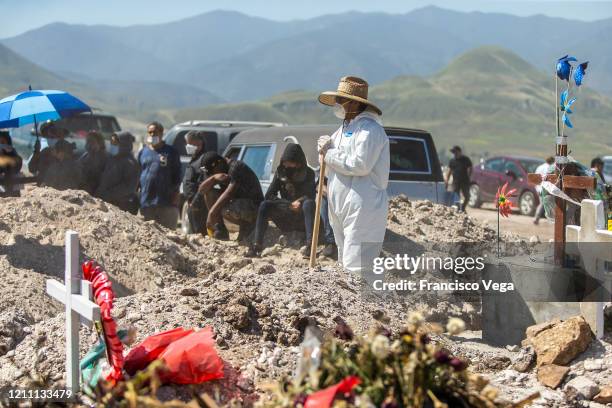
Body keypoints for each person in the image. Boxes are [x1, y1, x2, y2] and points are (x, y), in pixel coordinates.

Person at [317, 76, 390, 275]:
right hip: (341, 204)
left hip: (363, 204)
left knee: (358, 264)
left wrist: (328, 154)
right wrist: (323, 151)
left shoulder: (370, 130)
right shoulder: (341, 131)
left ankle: (370, 304)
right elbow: (327, 163)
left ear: (355, 103)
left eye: (342, 100)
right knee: (344, 260)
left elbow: (360, 164)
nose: (338, 104)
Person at [246, 143, 316, 258]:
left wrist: (300, 202)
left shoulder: (308, 173)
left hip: (300, 217)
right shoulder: (281, 172)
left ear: (297, 161)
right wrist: (287, 204)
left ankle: (310, 245)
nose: (286, 164)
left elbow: (310, 195)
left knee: (309, 204)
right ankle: (256, 246)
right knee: (265, 205)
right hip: (285, 214)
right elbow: (269, 195)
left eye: (289, 161)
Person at [198, 152, 263, 241]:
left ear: (220, 163)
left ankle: (248, 227)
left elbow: (229, 193)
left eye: (213, 172)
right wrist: (213, 178)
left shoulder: (237, 166)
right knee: (210, 193)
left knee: (226, 207)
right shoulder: (218, 170)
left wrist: (211, 213)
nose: (212, 174)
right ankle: (221, 230)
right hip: (240, 203)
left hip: (254, 207)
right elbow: (201, 190)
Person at [138, 121, 181, 229]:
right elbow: (138, 174)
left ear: (161, 133)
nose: (152, 135)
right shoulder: (143, 152)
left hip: (166, 202)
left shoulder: (171, 152)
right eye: (150, 132)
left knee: (168, 235)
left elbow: (177, 175)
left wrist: (176, 194)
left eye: (155, 132)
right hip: (147, 203)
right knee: (148, 234)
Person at [96, 132, 140, 214]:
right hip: (109, 203)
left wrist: (108, 194)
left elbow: (129, 187)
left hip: (124, 205)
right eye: (112, 143)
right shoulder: (111, 159)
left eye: (115, 143)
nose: (112, 145)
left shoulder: (130, 163)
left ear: (124, 144)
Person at [181, 130, 208, 233]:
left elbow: (205, 183)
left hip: (200, 206)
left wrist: (196, 201)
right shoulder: (195, 158)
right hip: (192, 204)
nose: (187, 146)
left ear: (199, 143)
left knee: (200, 234)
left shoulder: (204, 159)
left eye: (189, 143)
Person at [78, 131, 108, 195]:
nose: (89, 144)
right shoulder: (85, 156)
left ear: (100, 143)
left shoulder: (105, 159)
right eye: (87, 141)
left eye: (92, 142)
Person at [445, 146, 473, 212]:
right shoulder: (452, 161)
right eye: (453, 152)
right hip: (455, 182)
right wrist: (447, 180)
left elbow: (470, 168)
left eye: (455, 152)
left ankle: (463, 208)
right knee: (455, 196)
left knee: (467, 196)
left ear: (459, 152)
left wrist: (469, 177)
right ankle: (458, 209)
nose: (454, 153)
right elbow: (449, 170)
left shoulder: (466, 159)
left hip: (465, 181)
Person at [0, 130, 23, 197]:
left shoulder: (12, 152)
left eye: (2, 142)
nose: (1, 144)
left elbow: (17, 165)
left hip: (11, 191)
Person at [533, 156, 554, 225]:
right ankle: (540, 219)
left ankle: (537, 218)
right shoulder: (550, 168)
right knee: (545, 204)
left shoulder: (540, 167)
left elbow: (535, 177)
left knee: (542, 203)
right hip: (546, 188)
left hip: (538, 188)